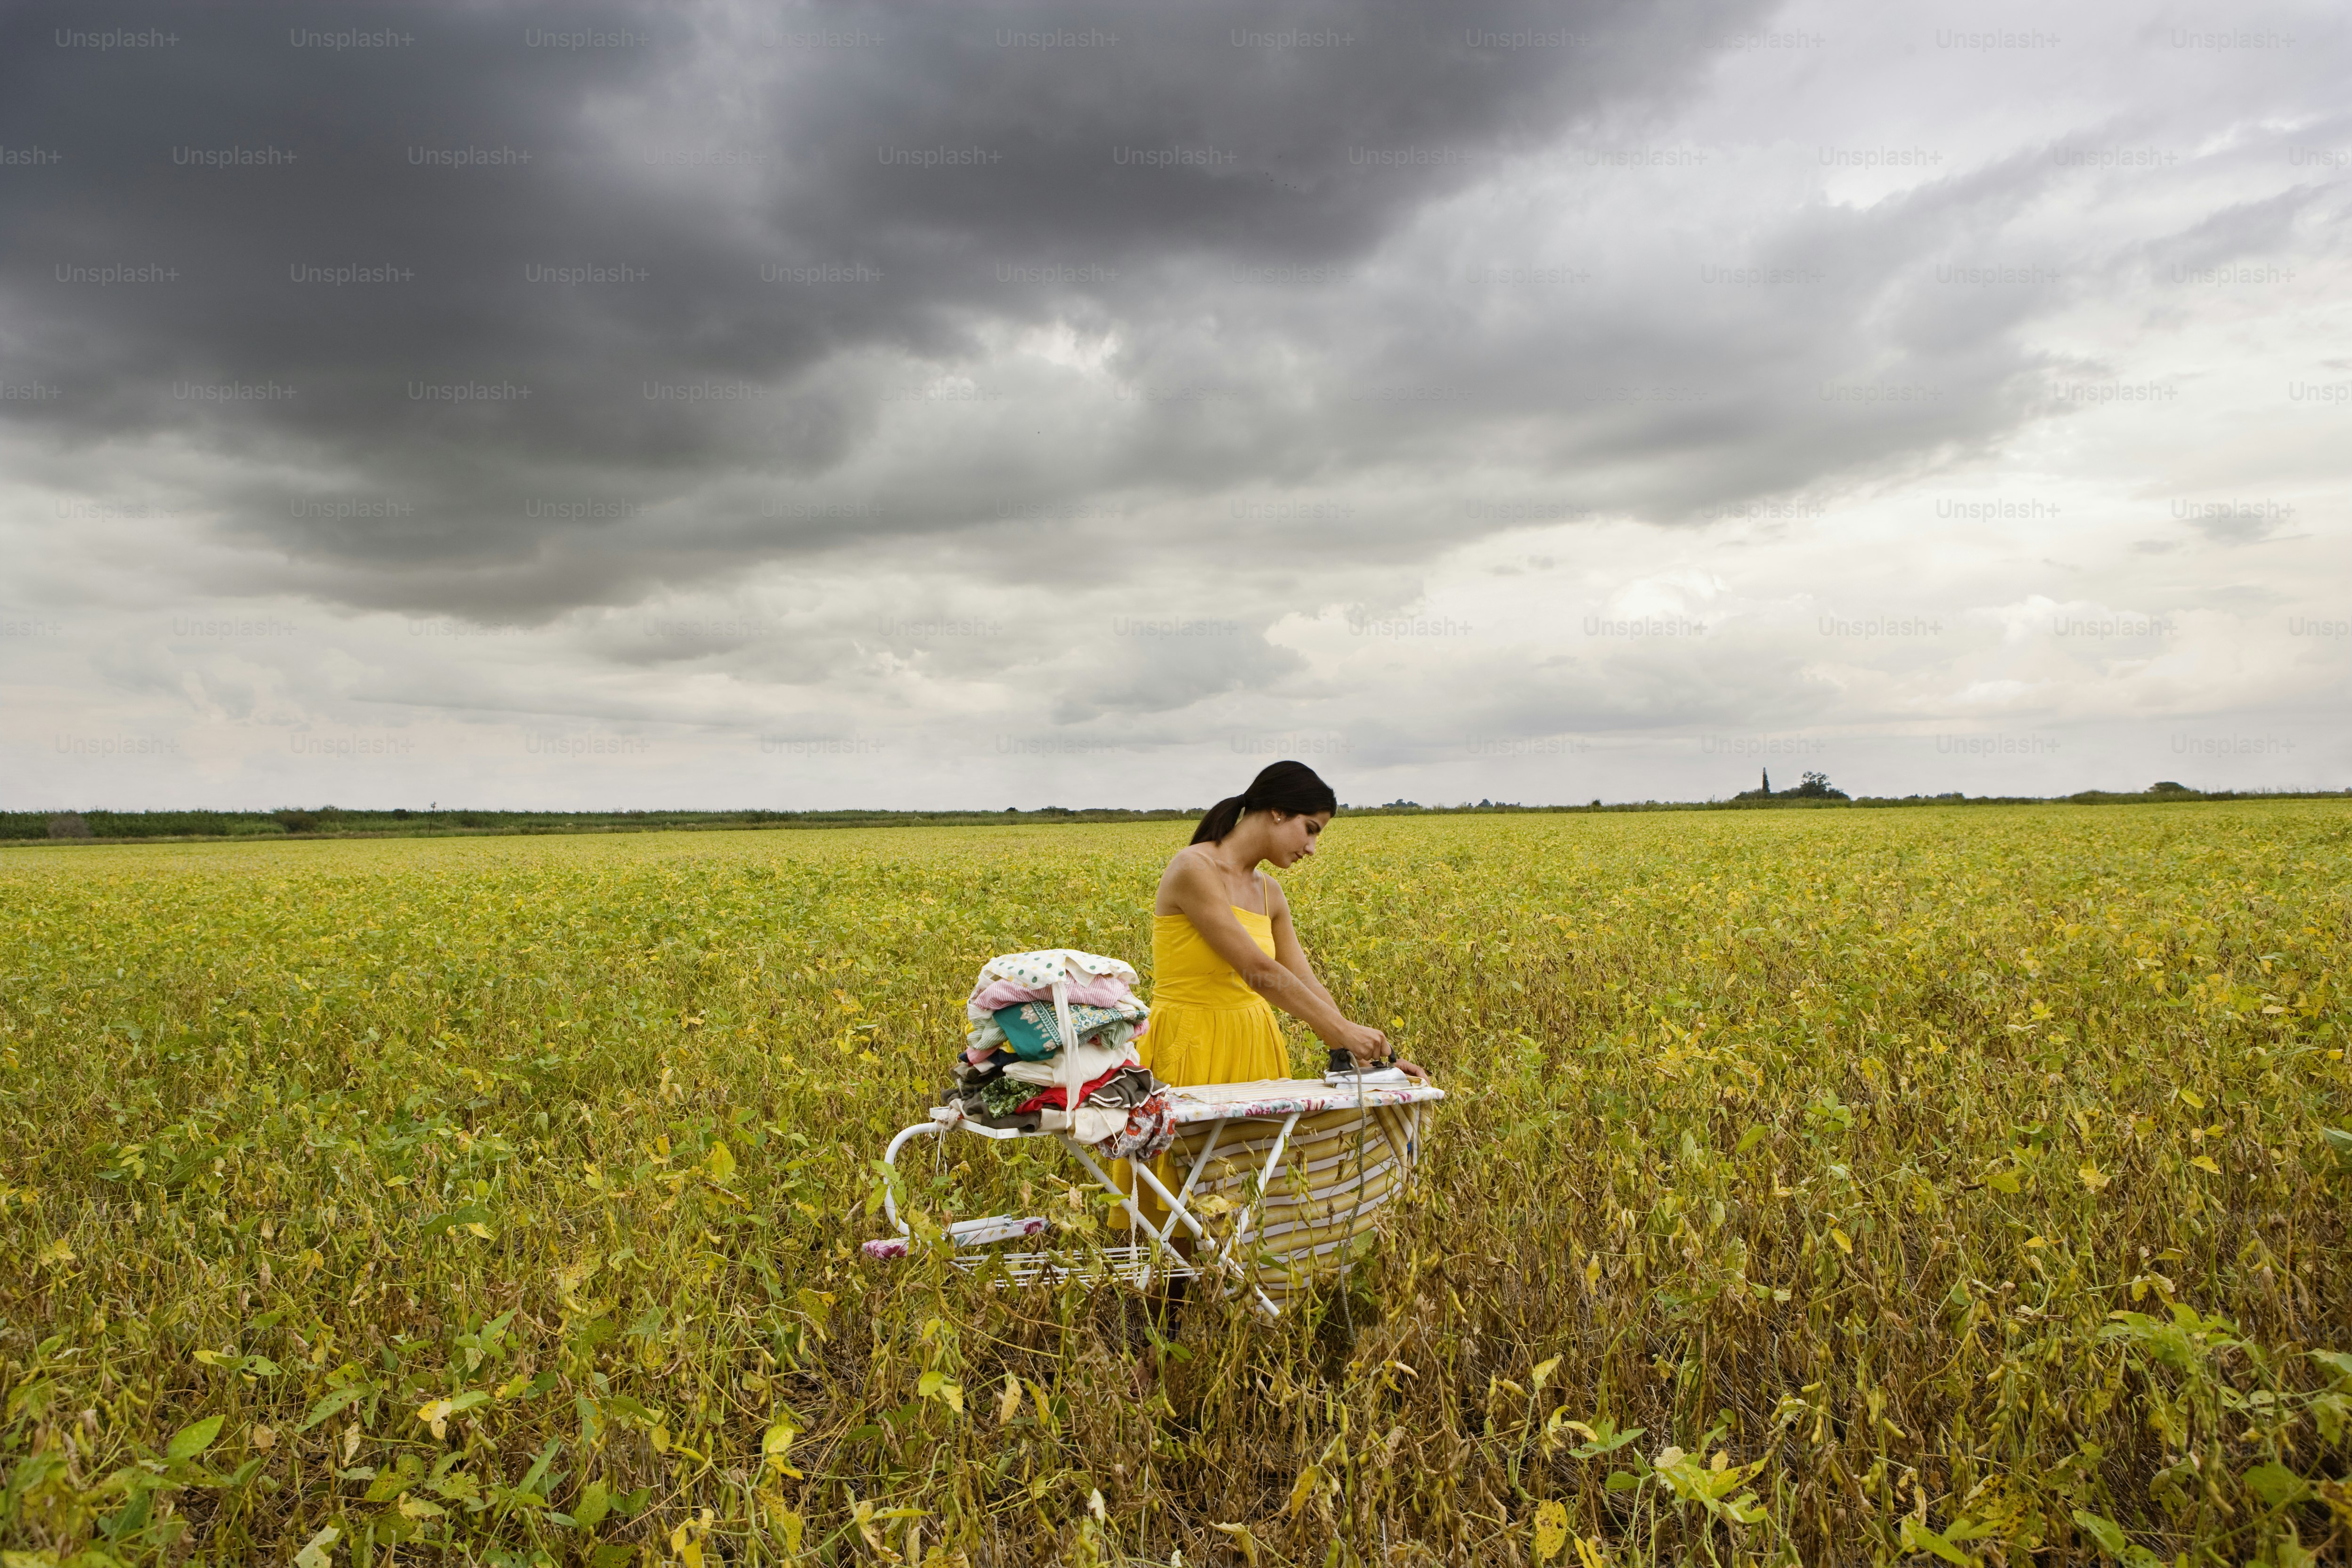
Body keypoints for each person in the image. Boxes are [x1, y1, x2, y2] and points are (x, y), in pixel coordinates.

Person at [1144, 759, 1424, 1091]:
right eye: (1310, 829)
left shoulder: (1270, 893)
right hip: (1190, 1042)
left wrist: (1365, 1059)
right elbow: (1258, 970)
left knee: (1260, 1145)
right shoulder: (1194, 868)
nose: (1312, 849)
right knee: (1193, 1144)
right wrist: (1345, 1032)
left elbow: (1306, 981)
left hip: (1254, 1043)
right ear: (1278, 812)